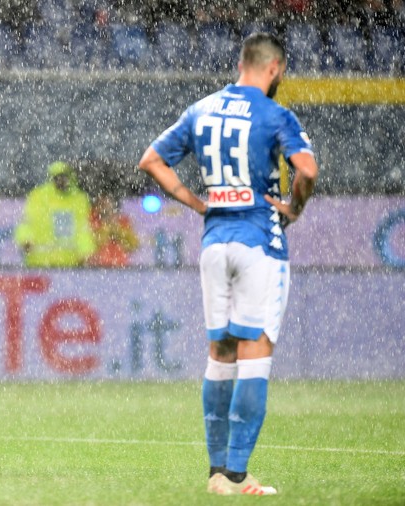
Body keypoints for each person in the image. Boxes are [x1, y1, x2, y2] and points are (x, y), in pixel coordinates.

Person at [138, 32, 318, 495]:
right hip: (259, 240)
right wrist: (294, 207)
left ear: (242, 63)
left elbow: (152, 160)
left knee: (220, 354)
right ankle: (238, 473)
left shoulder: (202, 108)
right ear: (274, 69)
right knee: (255, 354)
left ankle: (216, 472)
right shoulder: (275, 114)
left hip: (214, 242)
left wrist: (197, 203)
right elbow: (308, 170)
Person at [14, 161, 95, 268]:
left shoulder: (79, 200)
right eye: (57, 177)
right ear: (52, 178)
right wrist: (25, 240)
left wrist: (85, 253)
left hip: (70, 266)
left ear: (71, 177)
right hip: (38, 264)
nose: (61, 181)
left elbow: (84, 230)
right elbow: (26, 222)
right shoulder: (39, 196)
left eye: (64, 177)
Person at [87, 193, 139, 267]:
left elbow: (134, 245)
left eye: (108, 202)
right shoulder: (92, 221)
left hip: (120, 266)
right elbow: (93, 243)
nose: (105, 206)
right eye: (102, 203)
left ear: (114, 204)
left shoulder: (123, 222)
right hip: (98, 267)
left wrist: (118, 232)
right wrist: (107, 229)